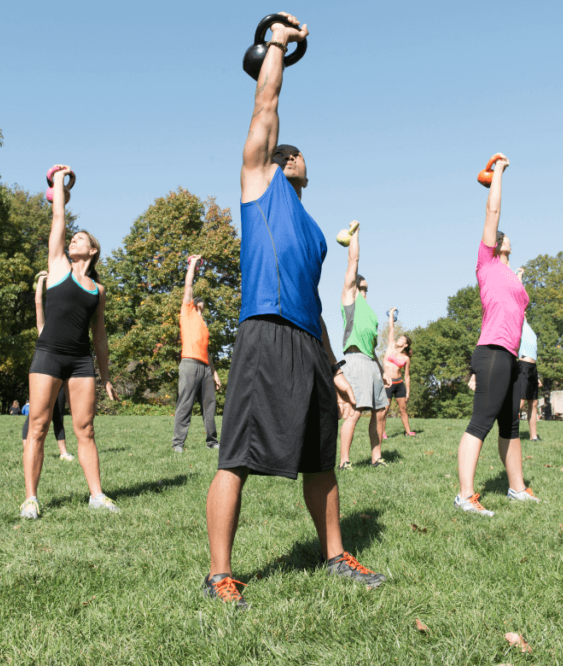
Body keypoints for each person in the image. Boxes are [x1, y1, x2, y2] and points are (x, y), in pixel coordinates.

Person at [203, 13, 386, 609]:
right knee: (238, 457)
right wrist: (278, 42)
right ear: (282, 161)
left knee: (321, 462)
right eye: (296, 153)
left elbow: (314, 301)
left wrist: (331, 363)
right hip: (265, 331)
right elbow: (266, 106)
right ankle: (220, 574)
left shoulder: (309, 229)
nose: (302, 157)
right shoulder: (258, 183)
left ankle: (334, 556)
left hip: (308, 343)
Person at [20, 165, 118, 519]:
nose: (73, 240)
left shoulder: (98, 290)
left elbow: (100, 336)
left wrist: (105, 376)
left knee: (86, 429)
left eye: (81, 239)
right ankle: (31, 498)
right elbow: (58, 215)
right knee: (38, 426)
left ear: (92, 251)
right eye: (72, 238)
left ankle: (96, 495)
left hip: (80, 362)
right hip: (48, 356)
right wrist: (59, 181)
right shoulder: (57, 265)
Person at [453, 155, 540, 517]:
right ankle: (465, 495)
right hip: (490, 351)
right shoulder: (486, 264)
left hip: (513, 356)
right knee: (481, 421)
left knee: (512, 424)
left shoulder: (513, 278)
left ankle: (517, 489)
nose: (504, 237)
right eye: (500, 237)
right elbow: (493, 213)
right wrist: (499, 174)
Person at [337, 226, 389, 469]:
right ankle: (344, 461)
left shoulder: (372, 314)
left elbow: (373, 347)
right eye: (361, 286)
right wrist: (355, 235)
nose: (364, 290)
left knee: (381, 410)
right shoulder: (350, 302)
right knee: (355, 411)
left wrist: (382, 371)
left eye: (366, 287)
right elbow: (353, 260)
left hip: (370, 362)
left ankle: (376, 458)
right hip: (354, 360)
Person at [20, 271, 75, 462]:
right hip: (42, 374)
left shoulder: (64, 335)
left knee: (58, 413)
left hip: (60, 376)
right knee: (35, 413)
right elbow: (38, 306)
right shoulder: (43, 330)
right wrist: (42, 281)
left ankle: (63, 452)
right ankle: (27, 449)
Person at [172, 255, 222, 453]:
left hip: (205, 368)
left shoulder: (204, 325)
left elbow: (207, 351)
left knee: (210, 406)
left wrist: (215, 372)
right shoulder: (187, 313)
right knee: (185, 404)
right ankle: (178, 444)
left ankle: (212, 442)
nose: (197, 300)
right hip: (189, 364)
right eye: (195, 300)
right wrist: (193, 263)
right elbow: (189, 284)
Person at [381, 308, 415, 439]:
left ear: (405, 345)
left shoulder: (406, 359)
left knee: (403, 409)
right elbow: (391, 328)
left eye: (401, 339)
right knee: (385, 409)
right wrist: (391, 314)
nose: (398, 339)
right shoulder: (390, 346)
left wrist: (408, 392)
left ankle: (408, 431)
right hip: (388, 383)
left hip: (400, 384)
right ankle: (382, 432)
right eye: (399, 338)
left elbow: (407, 375)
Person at [516, 311, 543, 442]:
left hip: (532, 368)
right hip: (524, 366)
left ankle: (533, 436)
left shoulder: (528, 327)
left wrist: (536, 377)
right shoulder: (519, 324)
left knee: (533, 402)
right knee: (521, 401)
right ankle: (508, 431)